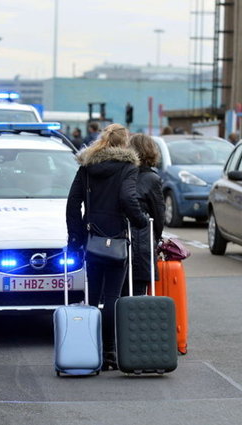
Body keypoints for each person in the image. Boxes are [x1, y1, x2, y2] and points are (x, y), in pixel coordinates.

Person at [66, 123, 148, 371]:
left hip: (92, 238)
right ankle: (110, 352)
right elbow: (127, 197)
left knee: (92, 296)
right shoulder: (127, 167)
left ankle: (90, 350)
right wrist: (140, 220)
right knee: (112, 296)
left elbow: (73, 203)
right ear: (124, 143)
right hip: (117, 238)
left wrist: (76, 236)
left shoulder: (87, 166)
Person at [121, 134, 165, 297]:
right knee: (137, 295)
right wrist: (157, 238)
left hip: (118, 242)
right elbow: (158, 214)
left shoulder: (120, 175)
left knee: (116, 293)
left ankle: (114, 323)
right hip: (141, 243)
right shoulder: (152, 179)